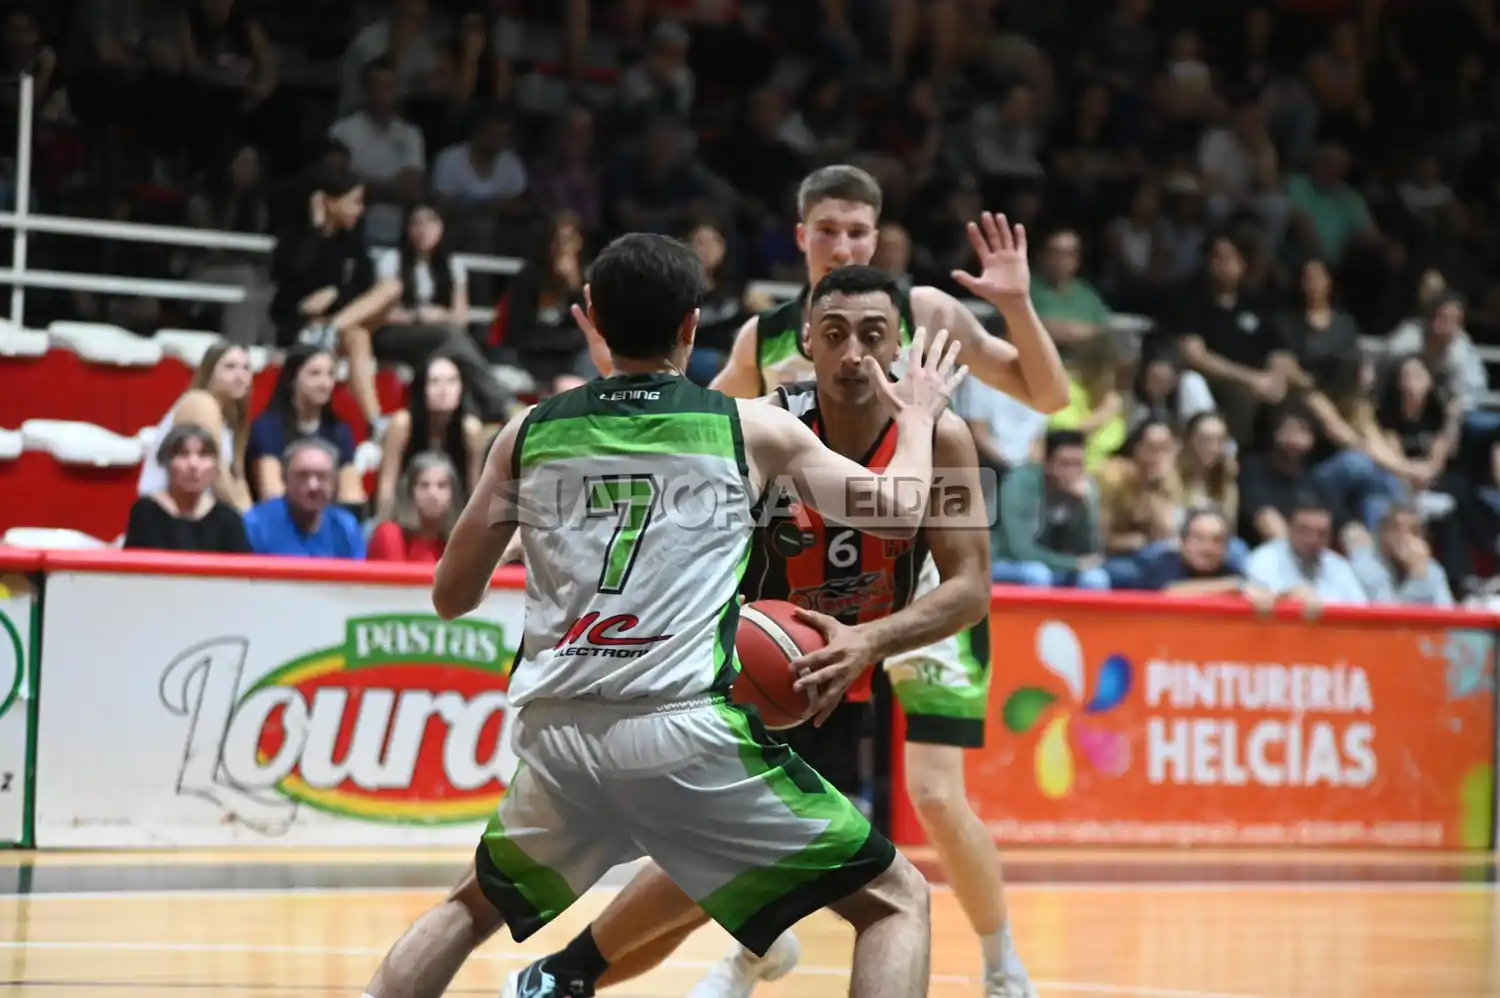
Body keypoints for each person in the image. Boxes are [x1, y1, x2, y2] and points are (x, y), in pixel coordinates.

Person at [360, 234, 962, 998]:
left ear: (594, 322)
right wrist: (915, 417)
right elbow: (902, 512)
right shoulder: (748, 428)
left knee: (465, 910)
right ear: (692, 326)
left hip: (558, 731)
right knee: (894, 903)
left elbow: (451, 595)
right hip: (681, 728)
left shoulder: (529, 431)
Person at [551, 215, 1051, 998]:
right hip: (784, 649)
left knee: (935, 799)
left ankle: (1002, 963)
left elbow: (968, 587)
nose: (855, 354)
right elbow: (670, 445)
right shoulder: (769, 428)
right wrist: (618, 387)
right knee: (708, 844)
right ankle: (637, 967)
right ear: (807, 344)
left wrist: (868, 640)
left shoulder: (943, 438)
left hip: (896, 624)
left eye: (874, 335)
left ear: (899, 346)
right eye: (836, 334)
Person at [124, 424, 252, 554]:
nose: (193, 464)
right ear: (166, 462)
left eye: (203, 455)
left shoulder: (228, 519)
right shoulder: (146, 512)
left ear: (215, 465)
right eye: (183, 454)